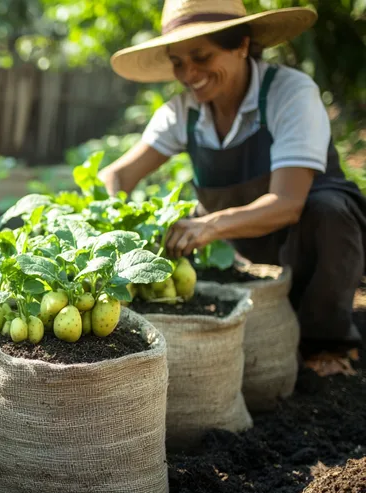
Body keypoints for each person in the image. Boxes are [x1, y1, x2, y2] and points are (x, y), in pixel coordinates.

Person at [100, 0, 366, 377]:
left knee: (330, 212)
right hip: (236, 245)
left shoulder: (288, 93)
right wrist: (113, 220)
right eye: (177, 61)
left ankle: (327, 344)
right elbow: (117, 175)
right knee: (166, 236)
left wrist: (208, 226)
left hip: (303, 238)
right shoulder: (183, 112)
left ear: (241, 45)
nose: (189, 72)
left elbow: (288, 203)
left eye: (202, 56)